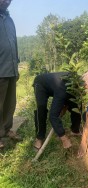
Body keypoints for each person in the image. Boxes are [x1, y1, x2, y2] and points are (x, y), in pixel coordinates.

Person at [33, 70, 88, 149]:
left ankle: (75, 130)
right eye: (84, 88)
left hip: (57, 87)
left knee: (77, 106)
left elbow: (71, 100)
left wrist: (66, 104)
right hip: (41, 84)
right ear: (82, 84)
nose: (85, 91)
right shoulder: (62, 88)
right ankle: (39, 137)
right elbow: (53, 116)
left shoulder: (75, 81)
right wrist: (63, 138)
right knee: (41, 109)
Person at [0, 0, 21, 148]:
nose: (6, 1)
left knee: (10, 103)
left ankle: (6, 129)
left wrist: (16, 66)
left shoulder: (10, 20)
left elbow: (14, 43)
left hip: (11, 69)